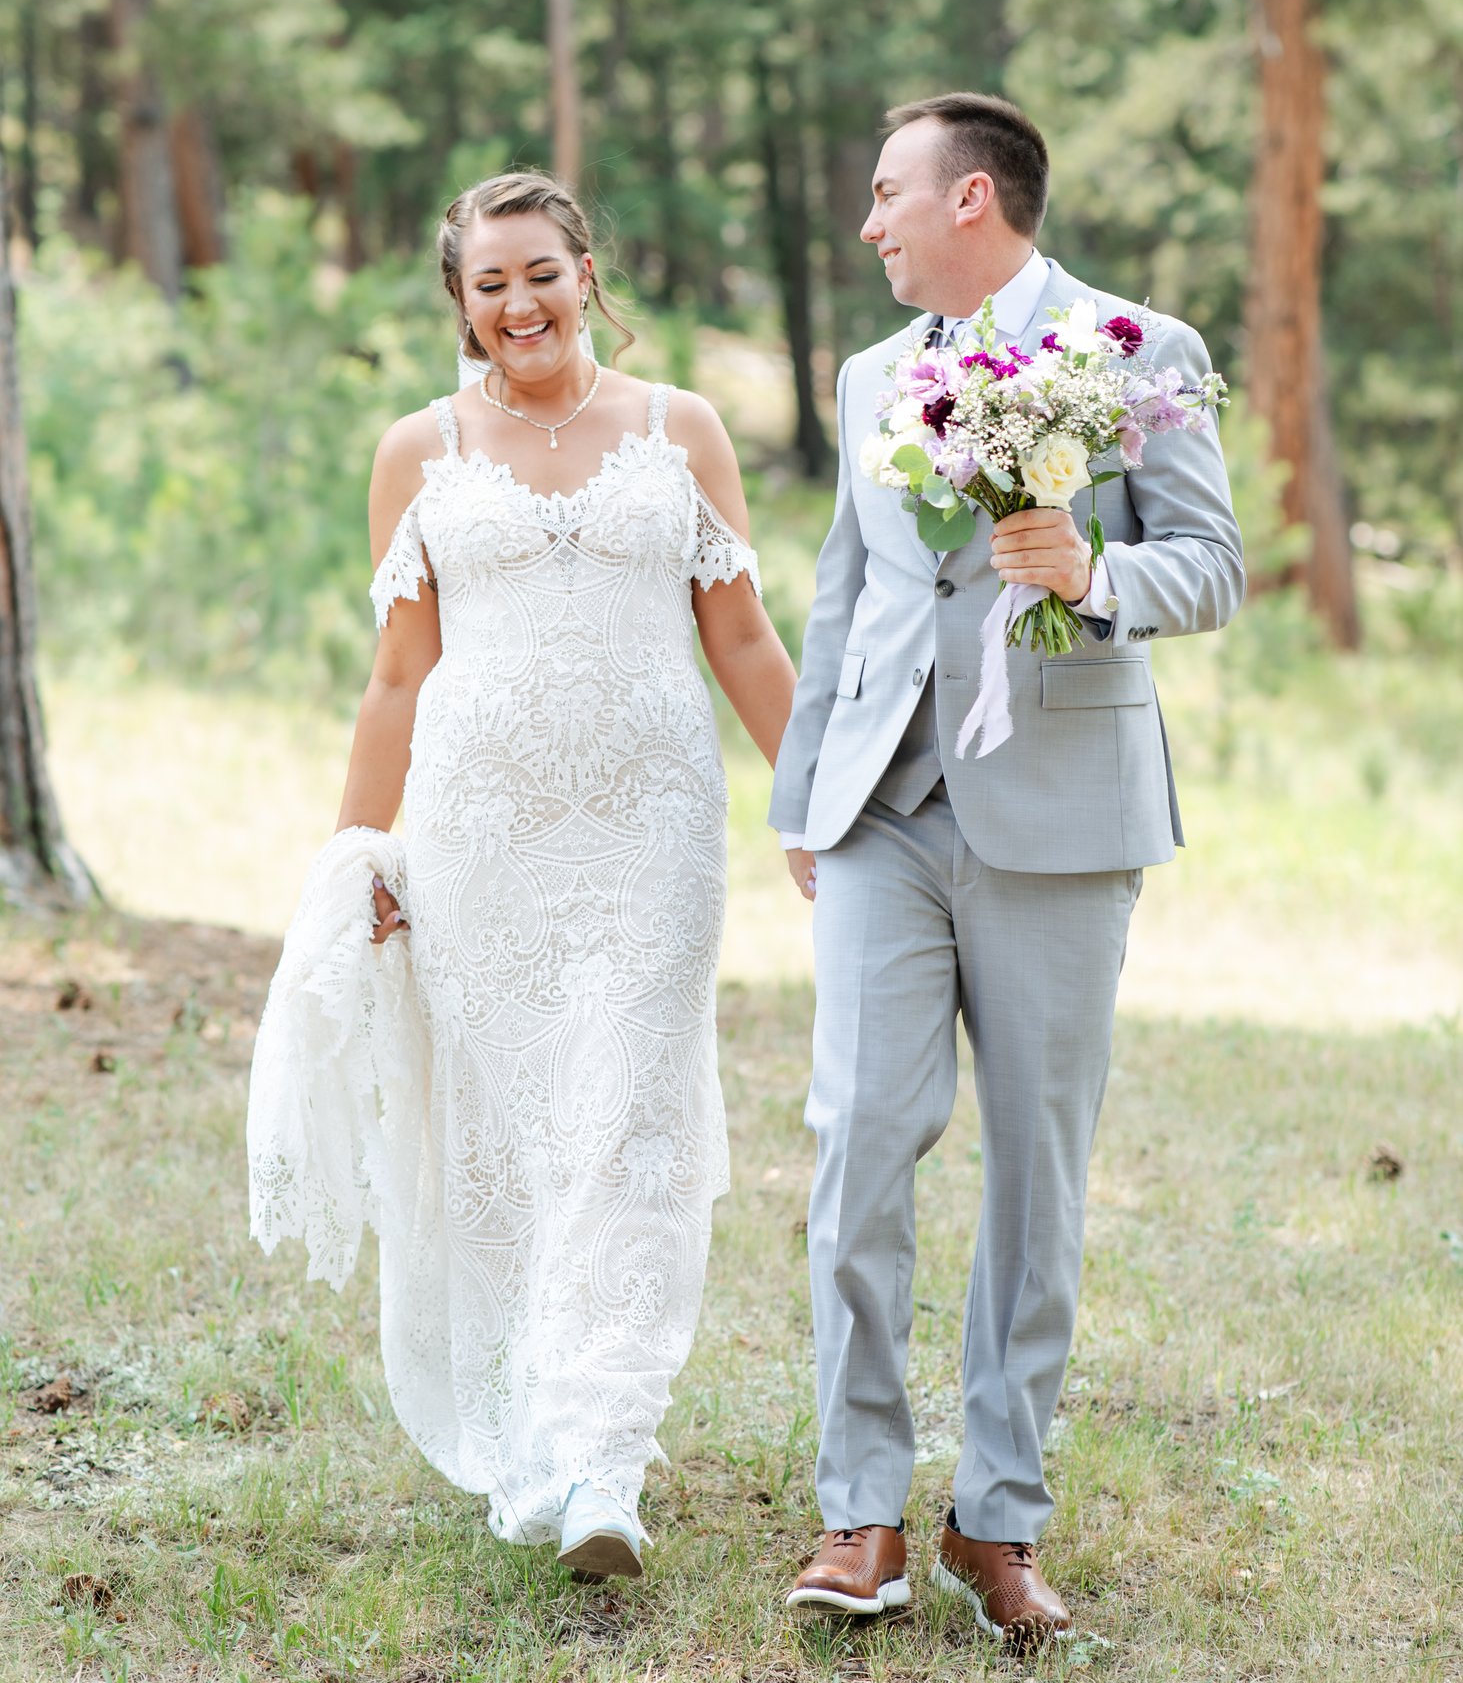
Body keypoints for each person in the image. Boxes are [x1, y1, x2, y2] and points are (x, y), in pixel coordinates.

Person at [248, 170, 797, 1580]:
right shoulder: (415, 451)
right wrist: (360, 852)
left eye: (541, 273)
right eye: (489, 284)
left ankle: (605, 1462)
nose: (519, 304)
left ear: (587, 271)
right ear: (460, 301)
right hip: (478, 834)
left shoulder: (681, 429)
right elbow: (394, 679)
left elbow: (740, 639)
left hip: (651, 831)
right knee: (509, 1135)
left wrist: (812, 807)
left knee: (628, 1115)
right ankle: (538, 1440)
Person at [772, 93, 1244, 1645]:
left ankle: (998, 1521)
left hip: (1060, 815)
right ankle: (861, 1516)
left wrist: (1097, 573)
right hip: (881, 816)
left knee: (1037, 1178)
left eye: (887, 192)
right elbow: (845, 591)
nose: (870, 223)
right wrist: (801, 794)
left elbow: (1215, 564)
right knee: (857, 1144)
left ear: (973, 199)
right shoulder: (866, 378)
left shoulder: (1135, 349)